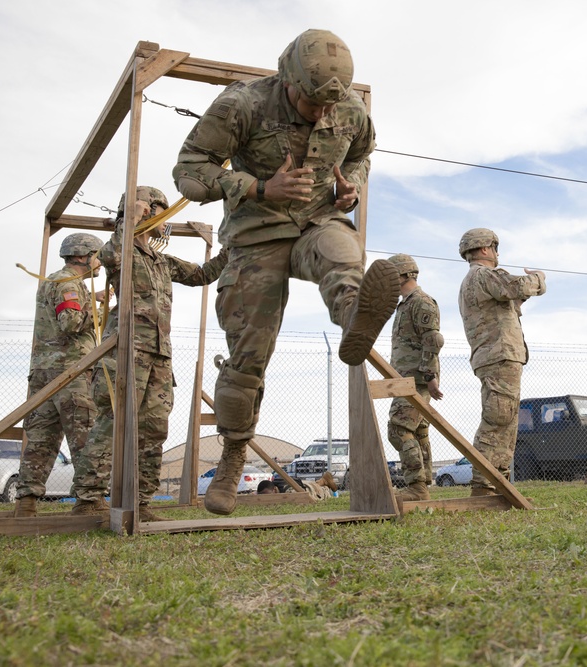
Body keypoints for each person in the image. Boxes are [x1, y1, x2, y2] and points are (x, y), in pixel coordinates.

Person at [171, 29, 401, 515]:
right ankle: (233, 457)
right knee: (247, 356)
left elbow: (360, 156)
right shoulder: (242, 105)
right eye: (310, 102)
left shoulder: (351, 112)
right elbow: (189, 170)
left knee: (343, 251)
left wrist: (350, 190)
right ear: (287, 77)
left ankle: (355, 316)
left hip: (317, 221)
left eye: (327, 105)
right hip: (257, 234)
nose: (320, 113)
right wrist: (257, 187)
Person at [71, 187, 228, 519]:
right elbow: (111, 254)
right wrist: (131, 216)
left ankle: (141, 502)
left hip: (159, 356)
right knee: (113, 424)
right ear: (145, 211)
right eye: (162, 213)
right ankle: (88, 499)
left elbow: (202, 274)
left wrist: (233, 250)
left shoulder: (161, 261)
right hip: (126, 351)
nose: (166, 221)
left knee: (154, 427)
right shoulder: (121, 249)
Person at [13, 233, 104, 518]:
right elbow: (72, 322)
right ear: (83, 256)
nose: (102, 262)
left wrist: (92, 298)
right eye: (99, 255)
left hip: (43, 373)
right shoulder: (69, 284)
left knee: (41, 439)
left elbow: (66, 310)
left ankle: (26, 502)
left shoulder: (54, 281)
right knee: (85, 437)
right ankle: (89, 502)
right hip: (71, 373)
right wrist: (103, 311)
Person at [458, 228, 545, 495]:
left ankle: (497, 481)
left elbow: (509, 299)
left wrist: (519, 297)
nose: (497, 254)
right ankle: (484, 483)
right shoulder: (483, 275)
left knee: (505, 420)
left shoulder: (476, 280)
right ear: (485, 249)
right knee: (498, 419)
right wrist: (538, 279)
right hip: (499, 355)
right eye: (495, 248)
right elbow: (514, 286)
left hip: (496, 356)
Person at [386, 253, 444, 502]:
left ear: (404, 274)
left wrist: (430, 376)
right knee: (418, 431)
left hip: (416, 379)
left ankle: (417, 486)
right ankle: (423, 486)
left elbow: (433, 340)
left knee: (398, 429)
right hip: (405, 378)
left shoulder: (421, 302)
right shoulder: (405, 303)